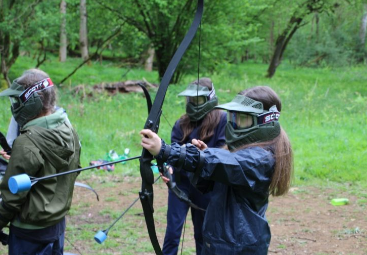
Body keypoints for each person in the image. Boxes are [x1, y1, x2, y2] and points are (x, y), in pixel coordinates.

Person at [141, 86, 293, 255]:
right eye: (234, 117)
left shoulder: (259, 159)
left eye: (243, 118)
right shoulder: (243, 154)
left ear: (264, 121)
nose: (235, 123)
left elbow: (227, 163)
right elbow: (216, 178)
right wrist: (200, 160)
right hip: (222, 243)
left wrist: (165, 150)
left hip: (238, 248)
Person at [0, 69, 81, 255]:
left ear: (32, 102)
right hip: (57, 224)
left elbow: (11, 198)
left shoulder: (26, 143)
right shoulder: (68, 128)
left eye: (18, 100)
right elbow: (74, 169)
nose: (15, 106)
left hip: (29, 232)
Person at [162, 78, 226, 255]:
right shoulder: (181, 123)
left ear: (209, 99)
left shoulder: (222, 119)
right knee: (173, 232)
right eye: (190, 99)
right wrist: (169, 168)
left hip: (206, 186)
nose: (192, 103)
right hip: (180, 184)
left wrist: (204, 153)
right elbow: (171, 152)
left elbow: (223, 153)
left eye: (197, 100)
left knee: (203, 235)